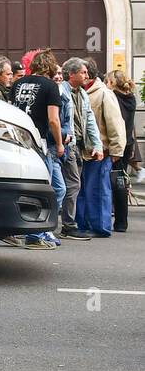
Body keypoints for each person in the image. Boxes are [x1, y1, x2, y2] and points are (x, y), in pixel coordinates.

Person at [5, 49, 64, 248]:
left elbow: (9, 111)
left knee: (22, 187)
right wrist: (60, 143)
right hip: (39, 142)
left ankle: (24, 229)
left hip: (17, 141)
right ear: (49, 66)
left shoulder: (18, 83)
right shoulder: (50, 86)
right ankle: (37, 233)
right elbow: (54, 120)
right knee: (47, 188)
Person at [77, 61, 126, 238]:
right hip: (83, 151)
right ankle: (83, 224)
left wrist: (116, 151)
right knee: (84, 190)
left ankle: (100, 226)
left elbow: (115, 123)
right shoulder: (80, 92)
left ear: (88, 74)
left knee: (98, 190)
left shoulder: (104, 93)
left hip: (101, 151)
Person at [58, 58, 102, 242]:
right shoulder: (61, 92)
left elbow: (90, 120)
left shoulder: (82, 94)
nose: (87, 75)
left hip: (79, 146)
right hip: (68, 145)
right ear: (72, 74)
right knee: (72, 184)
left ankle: (67, 223)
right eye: (83, 72)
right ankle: (68, 225)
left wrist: (97, 144)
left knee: (72, 185)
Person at [108, 69, 136, 233]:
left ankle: (117, 221)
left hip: (117, 144)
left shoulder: (114, 98)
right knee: (120, 181)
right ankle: (121, 221)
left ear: (112, 83)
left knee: (114, 181)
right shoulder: (130, 98)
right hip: (127, 144)